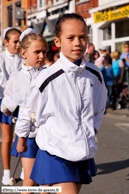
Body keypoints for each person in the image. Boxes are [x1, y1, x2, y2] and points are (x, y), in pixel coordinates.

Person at [16, 13, 107, 194]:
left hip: (82, 150)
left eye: (82, 37)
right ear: (57, 41)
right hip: (55, 150)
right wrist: (21, 137)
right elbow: (29, 109)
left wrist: (92, 129)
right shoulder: (47, 77)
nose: (77, 43)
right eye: (71, 37)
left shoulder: (94, 73)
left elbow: (99, 106)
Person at [1, 32, 49, 190]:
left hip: (49, 134)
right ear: (24, 53)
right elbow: (7, 103)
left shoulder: (49, 74)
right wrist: (8, 107)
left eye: (44, 52)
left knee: (46, 182)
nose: (42, 56)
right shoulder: (16, 77)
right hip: (28, 135)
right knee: (30, 180)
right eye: (37, 52)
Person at [0, 27, 23, 185]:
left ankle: (25, 168)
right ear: (5, 42)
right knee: (8, 138)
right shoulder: (1, 59)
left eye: (20, 41)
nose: (18, 44)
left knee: (24, 136)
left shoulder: (23, 58)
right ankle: (6, 173)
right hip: (5, 101)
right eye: (15, 41)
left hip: (23, 102)